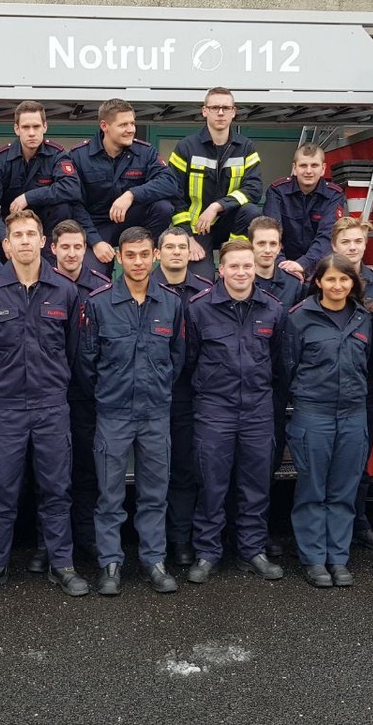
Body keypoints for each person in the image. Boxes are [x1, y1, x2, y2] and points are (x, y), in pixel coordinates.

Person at [0, 209, 90, 599]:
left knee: (57, 488)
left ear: (42, 242)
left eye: (30, 234)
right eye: (15, 235)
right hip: (5, 407)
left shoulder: (65, 292)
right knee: (1, 489)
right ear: (6, 244)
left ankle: (63, 565)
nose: (23, 241)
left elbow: (73, 350)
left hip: (52, 404)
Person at [79, 226, 185, 595]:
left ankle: (154, 560)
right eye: (130, 256)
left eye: (144, 255)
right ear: (119, 258)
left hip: (156, 413)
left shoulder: (171, 303)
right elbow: (87, 362)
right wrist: (110, 394)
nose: (138, 262)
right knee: (110, 494)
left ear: (155, 256)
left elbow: (178, 359)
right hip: (114, 413)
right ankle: (110, 562)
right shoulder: (98, 302)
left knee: (155, 492)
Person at [184, 239, 286, 584]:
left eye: (247, 265)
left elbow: (277, 359)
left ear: (255, 268)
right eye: (234, 266)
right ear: (221, 270)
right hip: (214, 409)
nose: (241, 272)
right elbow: (189, 358)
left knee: (255, 486)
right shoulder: (198, 309)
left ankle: (251, 550)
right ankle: (207, 552)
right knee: (211, 485)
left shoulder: (273, 309)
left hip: (257, 409)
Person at [282, 254, 373, 588]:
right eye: (330, 279)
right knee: (313, 489)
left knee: (344, 490)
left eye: (344, 279)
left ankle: (338, 557)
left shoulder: (364, 318)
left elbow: (371, 363)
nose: (337, 285)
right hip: (313, 414)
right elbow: (286, 367)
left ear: (353, 282)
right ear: (318, 282)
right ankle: (314, 559)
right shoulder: (298, 318)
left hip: (352, 414)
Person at [26, 219, 110, 573]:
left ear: (86, 250)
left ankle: (87, 537)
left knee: (88, 469)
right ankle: (48, 543)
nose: (73, 253)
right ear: (53, 249)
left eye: (79, 247)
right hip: (48, 392)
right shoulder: (42, 286)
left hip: (88, 394)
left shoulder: (103, 288)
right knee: (47, 473)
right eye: (66, 247)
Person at [329, 217, 373, 552]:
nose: (352, 247)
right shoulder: (322, 279)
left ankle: (359, 524)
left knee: (358, 461)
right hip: (325, 389)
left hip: (365, 387)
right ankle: (328, 528)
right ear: (334, 245)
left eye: (358, 241)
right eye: (346, 242)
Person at [153, 226, 214, 566]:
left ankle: (180, 539)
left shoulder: (205, 292)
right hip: (149, 393)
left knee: (183, 470)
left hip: (188, 393)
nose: (176, 252)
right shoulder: (142, 287)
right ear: (158, 253)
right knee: (151, 473)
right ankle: (152, 541)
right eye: (170, 246)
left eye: (182, 246)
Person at [68, 98, 179, 276]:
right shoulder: (79, 156)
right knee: (92, 274)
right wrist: (96, 242)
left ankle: (145, 251)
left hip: (132, 223)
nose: (131, 130)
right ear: (104, 126)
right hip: (96, 226)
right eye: (123, 125)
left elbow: (169, 183)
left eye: (132, 123)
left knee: (163, 207)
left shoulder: (145, 152)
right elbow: (75, 204)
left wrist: (131, 195)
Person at [248, 215, 303, 556]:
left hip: (278, 385)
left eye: (272, 244)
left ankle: (261, 531)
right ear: (251, 245)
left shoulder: (294, 285)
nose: (267, 250)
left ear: (281, 246)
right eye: (260, 243)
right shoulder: (237, 279)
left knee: (266, 464)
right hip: (244, 385)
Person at [168, 88, 263, 278]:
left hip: (231, 225)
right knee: (201, 280)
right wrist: (188, 236)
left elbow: (254, 188)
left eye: (226, 108)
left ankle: (235, 253)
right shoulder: (186, 147)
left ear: (234, 112)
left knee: (252, 211)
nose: (220, 112)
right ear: (205, 111)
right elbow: (173, 193)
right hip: (197, 228)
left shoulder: (246, 147)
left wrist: (218, 206)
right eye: (215, 107)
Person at [0, 101, 82, 259]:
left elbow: (71, 188)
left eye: (36, 127)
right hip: (12, 227)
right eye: (26, 127)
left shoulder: (57, 155)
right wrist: (5, 238)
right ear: (16, 129)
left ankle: (50, 272)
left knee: (63, 207)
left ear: (45, 127)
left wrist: (29, 197)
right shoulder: (1, 160)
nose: (31, 133)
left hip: (46, 229)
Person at [263, 143, 346, 278]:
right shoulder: (277, 192)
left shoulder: (334, 195)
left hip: (320, 267)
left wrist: (303, 264)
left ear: (323, 169)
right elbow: (271, 234)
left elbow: (327, 236)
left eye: (314, 165)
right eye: (303, 165)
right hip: (279, 266)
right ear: (294, 168)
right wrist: (284, 266)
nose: (308, 171)